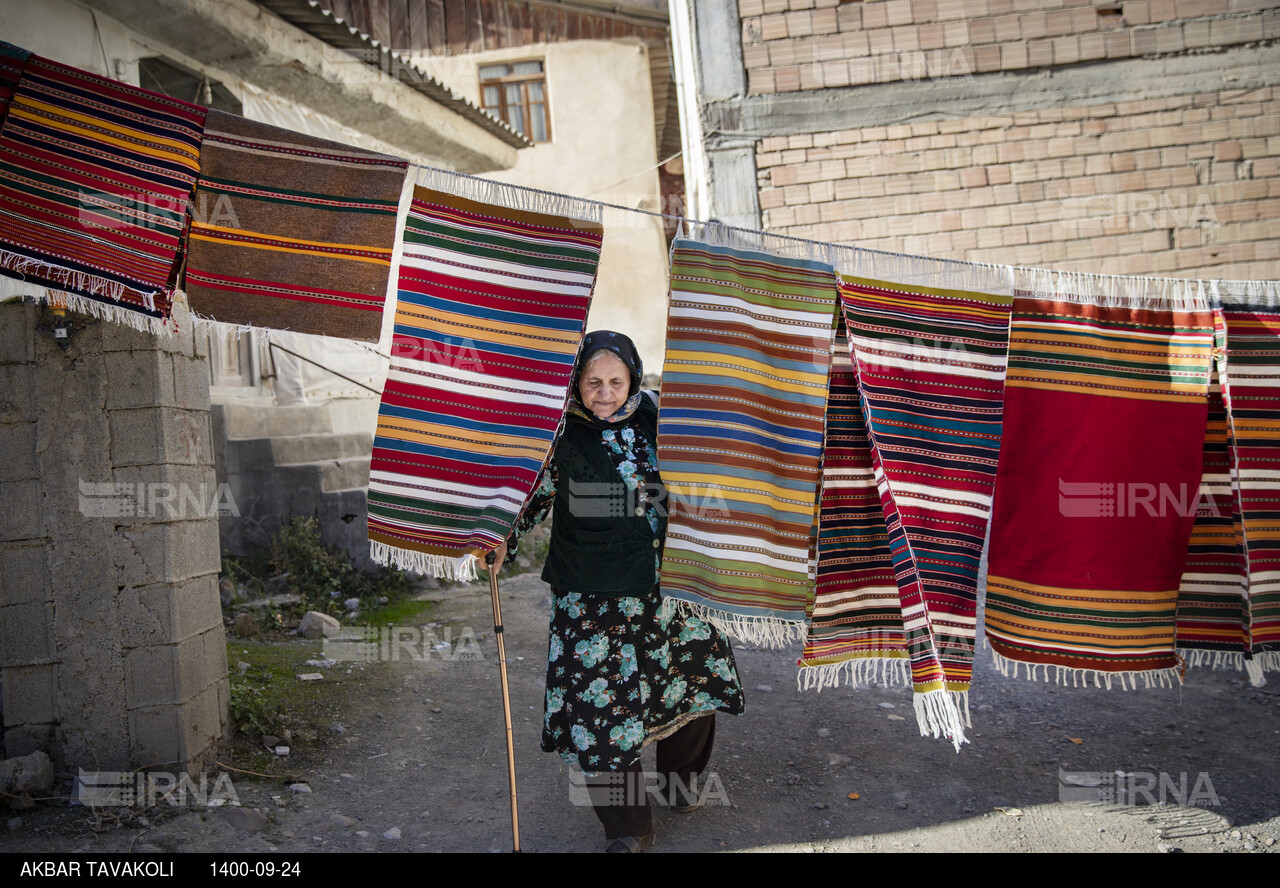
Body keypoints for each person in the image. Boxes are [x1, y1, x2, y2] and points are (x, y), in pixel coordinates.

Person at [495, 330, 744, 853]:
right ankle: (627, 828)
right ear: (576, 383)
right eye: (592, 382)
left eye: (615, 380)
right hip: (592, 600)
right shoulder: (558, 434)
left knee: (690, 687)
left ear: (632, 378)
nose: (604, 392)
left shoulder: (661, 419)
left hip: (672, 588)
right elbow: (528, 494)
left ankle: (682, 785)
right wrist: (502, 541)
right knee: (599, 713)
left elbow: (709, 473)